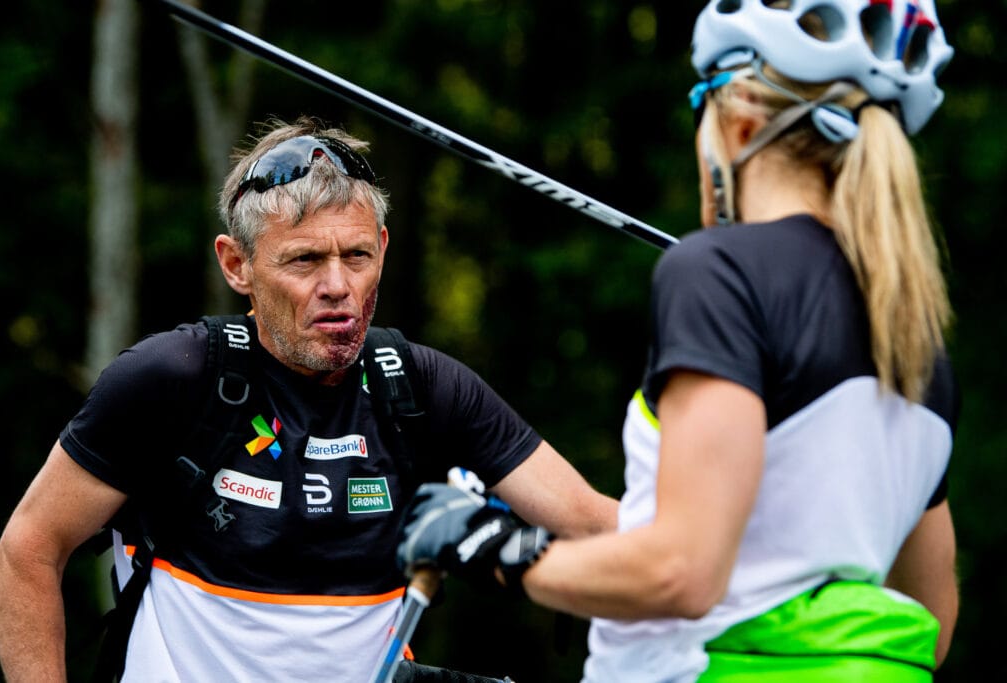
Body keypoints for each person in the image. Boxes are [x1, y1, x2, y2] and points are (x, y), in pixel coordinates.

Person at [396, 1, 960, 681]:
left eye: (700, 104)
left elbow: (682, 571)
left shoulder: (718, 271)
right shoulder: (913, 326)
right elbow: (931, 618)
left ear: (739, 120)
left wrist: (490, 544)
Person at [0, 116, 619, 682]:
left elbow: (598, 525)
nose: (338, 286)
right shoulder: (172, 378)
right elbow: (28, 549)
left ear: (383, 249)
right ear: (237, 265)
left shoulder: (421, 385)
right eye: (305, 260)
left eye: (357, 255)